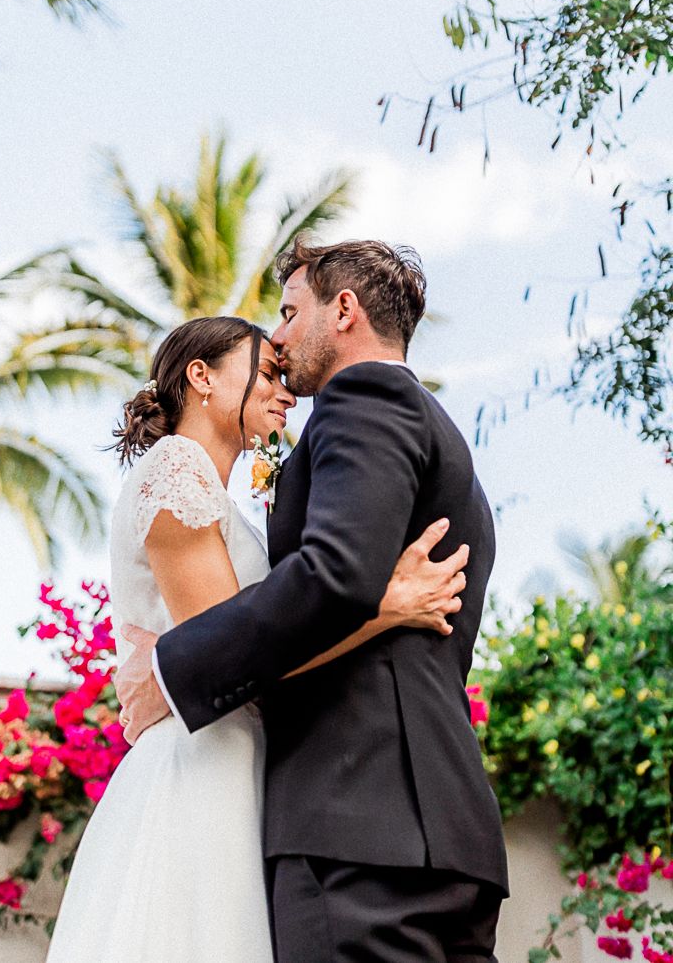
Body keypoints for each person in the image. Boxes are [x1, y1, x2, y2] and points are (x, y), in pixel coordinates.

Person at [118, 241, 508, 962]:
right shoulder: (450, 454)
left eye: (292, 314)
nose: (283, 340)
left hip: (355, 826)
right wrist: (384, 605)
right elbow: (357, 591)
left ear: (346, 310)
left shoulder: (367, 399)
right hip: (440, 831)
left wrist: (174, 673)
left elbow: (335, 576)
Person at [44, 314, 470, 960]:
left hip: (239, 758)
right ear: (202, 377)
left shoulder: (216, 496)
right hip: (202, 765)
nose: (286, 392)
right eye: (267, 372)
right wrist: (385, 607)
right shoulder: (177, 470)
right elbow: (236, 648)